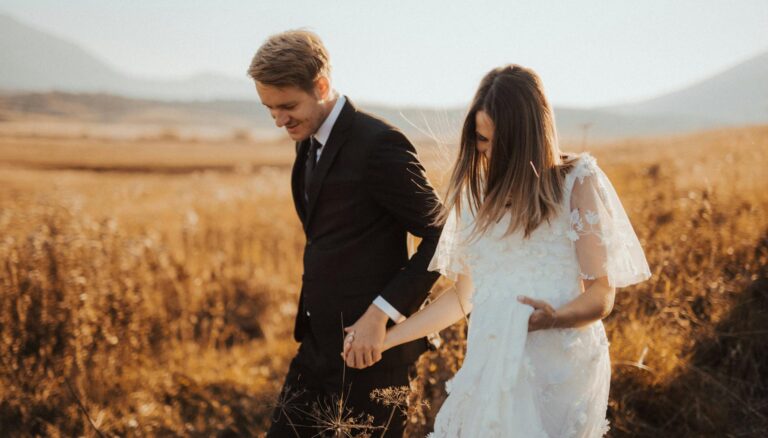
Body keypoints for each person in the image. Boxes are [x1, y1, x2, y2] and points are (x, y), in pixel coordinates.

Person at [344, 64, 652, 437]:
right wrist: (387, 339)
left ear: (529, 137)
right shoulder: (473, 195)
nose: (487, 152)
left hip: (557, 370)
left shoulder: (576, 182)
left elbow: (602, 294)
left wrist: (554, 318)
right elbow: (463, 298)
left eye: (498, 142)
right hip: (489, 365)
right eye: (481, 138)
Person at [248, 30, 443, 437]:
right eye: (269, 109)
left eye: (288, 106)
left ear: (321, 86)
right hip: (315, 349)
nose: (280, 120)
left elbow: (444, 235)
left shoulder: (380, 145)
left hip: (372, 356)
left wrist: (380, 313)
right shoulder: (307, 141)